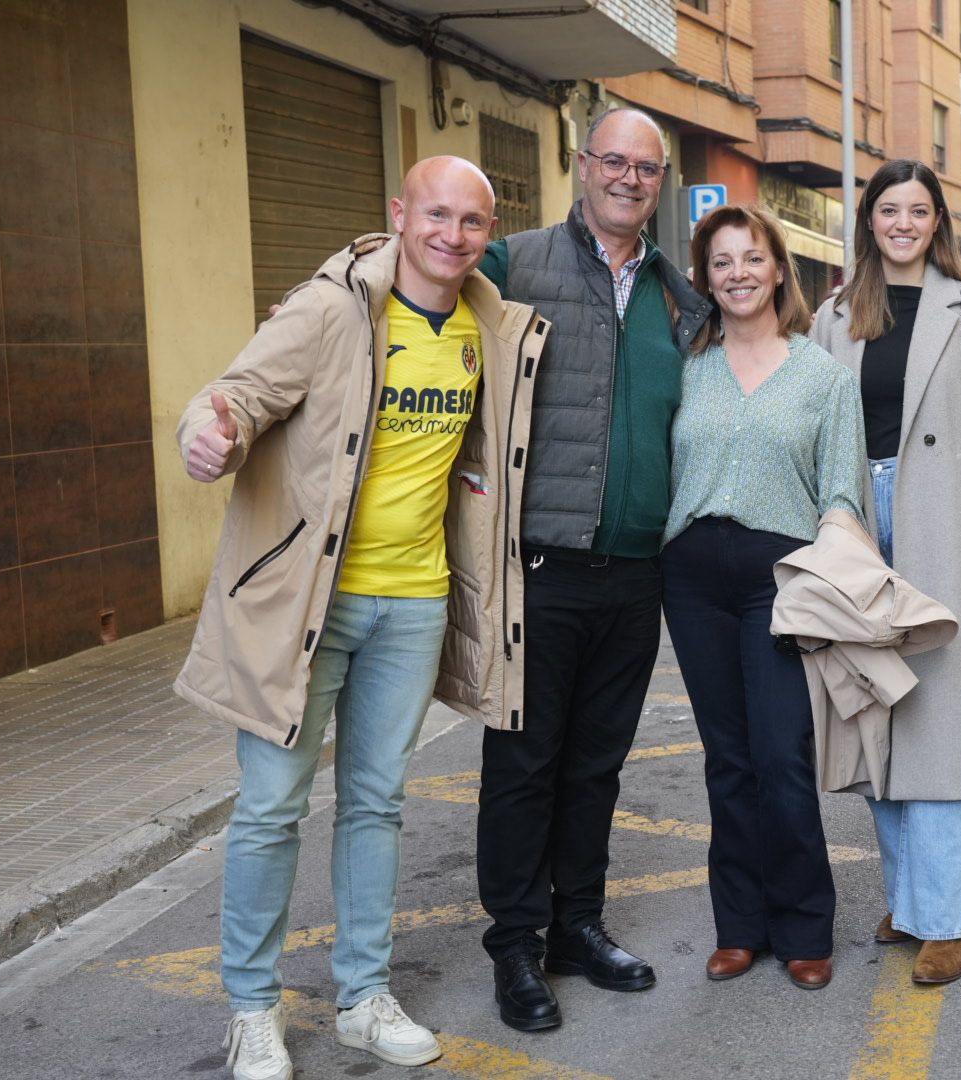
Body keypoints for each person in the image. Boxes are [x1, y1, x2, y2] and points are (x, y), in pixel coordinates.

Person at [176, 157, 545, 1080]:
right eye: (436, 214)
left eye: (471, 221)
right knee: (270, 809)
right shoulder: (332, 307)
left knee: (377, 805)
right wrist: (208, 429)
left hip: (414, 605)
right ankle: (253, 1010)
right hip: (306, 602)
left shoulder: (484, 328)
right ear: (399, 214)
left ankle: (362, 997)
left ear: (487, 232)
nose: (452, 235)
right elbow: (241, 393)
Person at [473, 108, 713, 1033]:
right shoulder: (515, 262)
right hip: (539, 565)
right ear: (581, 165)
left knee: (599, 765)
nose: (628, 178)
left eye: (645, 168)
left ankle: (577, 924)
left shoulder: (673, 294)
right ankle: (516, 947)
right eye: (612, 161)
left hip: (634, 572)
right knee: (524, 763)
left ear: (660, 184)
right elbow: (419, 294)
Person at [810, 160, 961, 985]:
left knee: (941, 720)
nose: (903, 223)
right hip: (856, 520)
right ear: (869, 221)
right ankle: (912, 897)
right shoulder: (835, 315)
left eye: (918, 210)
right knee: (875, 711)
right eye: (888, 210)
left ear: (936, 222)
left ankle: (944, 916)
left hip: (944, 521)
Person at [661, 204, 865, 991]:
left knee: (781, 754)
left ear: (780, 268)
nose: (738, 274)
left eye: (752, 259)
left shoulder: (822, 377)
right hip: (692, 573)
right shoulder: (687, 367)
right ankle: (739, 926)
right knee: (727, 758)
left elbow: (843, 488)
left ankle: (805, 926)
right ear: (705, 279)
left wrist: (837, 564)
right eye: (721, 262)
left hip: (779, 575)